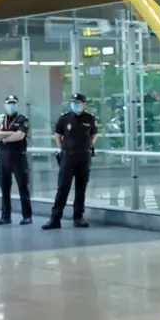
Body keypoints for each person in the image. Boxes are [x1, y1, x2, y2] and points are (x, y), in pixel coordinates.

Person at [43, 93, 99, 230]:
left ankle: (78, 217)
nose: (76, 105)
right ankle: (55, 219)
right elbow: (58, 135)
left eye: (78, 102)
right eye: (74, 102)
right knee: (62, 188)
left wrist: (87, 145)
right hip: (68, 157)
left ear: (84, 104)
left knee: (81, 188)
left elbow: (94, 135)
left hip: (84, 157)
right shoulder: (65, 118)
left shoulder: (90, 118)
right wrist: (62, 148)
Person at [0, 94, 31, 225]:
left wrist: (4, 137)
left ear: (17, 105)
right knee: (5, 188)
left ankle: (27, 216)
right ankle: (5, 217)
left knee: (23, 187)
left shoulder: (23, 119)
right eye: (9, 103)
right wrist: (11, 133)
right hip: (3, 158)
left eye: (13, 104)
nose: (11, 106)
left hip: (18, 158)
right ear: (4, 105)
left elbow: (20, 135)